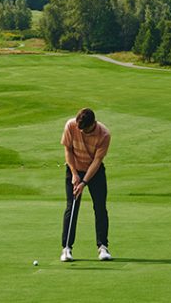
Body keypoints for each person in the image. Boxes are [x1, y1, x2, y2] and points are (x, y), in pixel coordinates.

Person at [60, 107, 112, 262]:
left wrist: (84, 182)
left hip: (94, 172)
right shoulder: (71, 125)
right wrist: (74, 174)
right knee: (72, 206)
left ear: (93, 124)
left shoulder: (104, 134)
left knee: (100, 207)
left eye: (86, 130)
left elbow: (97, 161)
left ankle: (103, 247)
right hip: (74, 169)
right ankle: (66, 249)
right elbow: (68, 150)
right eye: (80, 128)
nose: (81, 132)